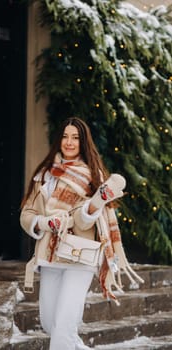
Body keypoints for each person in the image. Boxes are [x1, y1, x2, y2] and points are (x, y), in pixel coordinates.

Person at [20, 117, 144, 350]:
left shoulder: (92, 177)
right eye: (65, 136)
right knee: (50, 324)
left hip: (80, 256)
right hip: (50, 255)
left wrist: (97, 201)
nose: (69, 142)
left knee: (63, 329)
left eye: (75, 138)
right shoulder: (44, 175)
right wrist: (45, 222)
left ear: (83, 142)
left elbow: (83, 221)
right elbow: (27, 215)